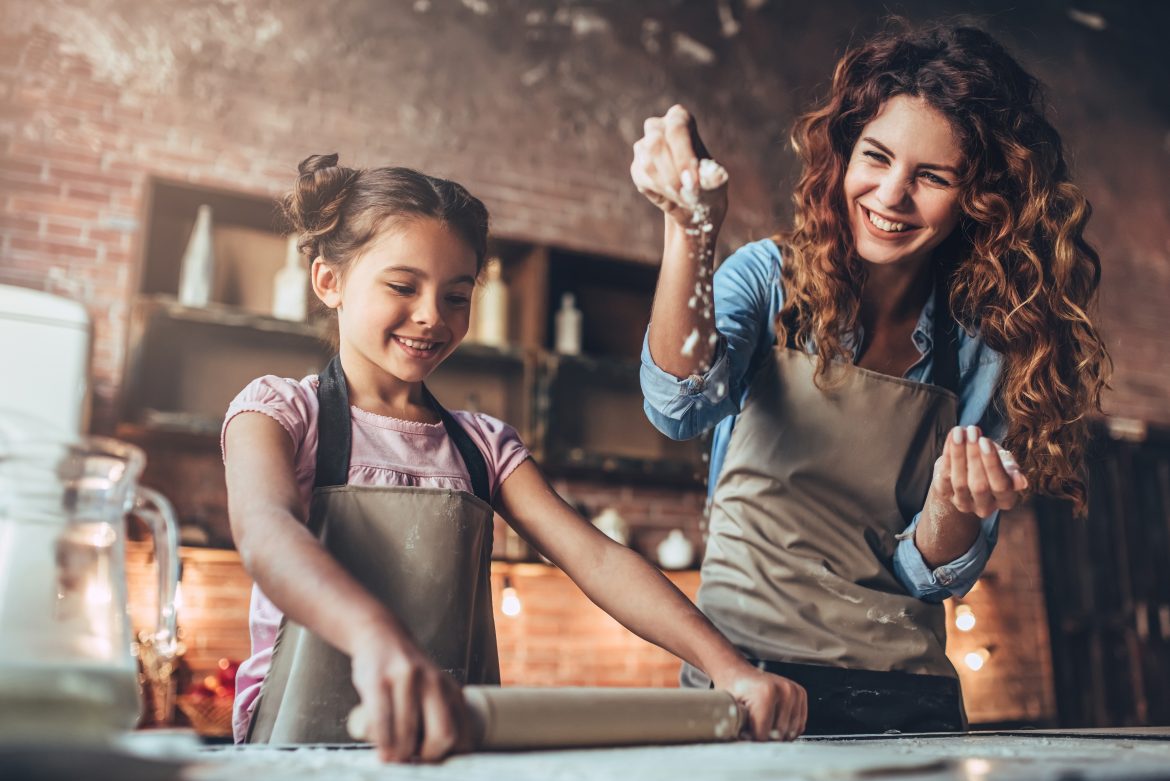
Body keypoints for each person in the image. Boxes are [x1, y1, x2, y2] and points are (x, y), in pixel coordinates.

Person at [222, 154, 807, 762]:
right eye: (402, 286)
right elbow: (267, 534)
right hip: (295, 755)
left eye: (456, 296)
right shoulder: (280, 413)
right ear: (329, 282)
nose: (432, 316)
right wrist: (374, 638)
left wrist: (731, 669)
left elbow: (600, 561)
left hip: (448, 754)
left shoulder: (482, 447)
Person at [630, 22, 1109, 734]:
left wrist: (956, 506)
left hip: (904, 694)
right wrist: (691, 234)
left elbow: (926, 572)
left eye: (933, 177)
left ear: (980, 199)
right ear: (843, 152)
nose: (891, 194)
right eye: (876, 157)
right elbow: (678, 403)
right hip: (745, 682)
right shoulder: (768, 282)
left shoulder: (982, 350)